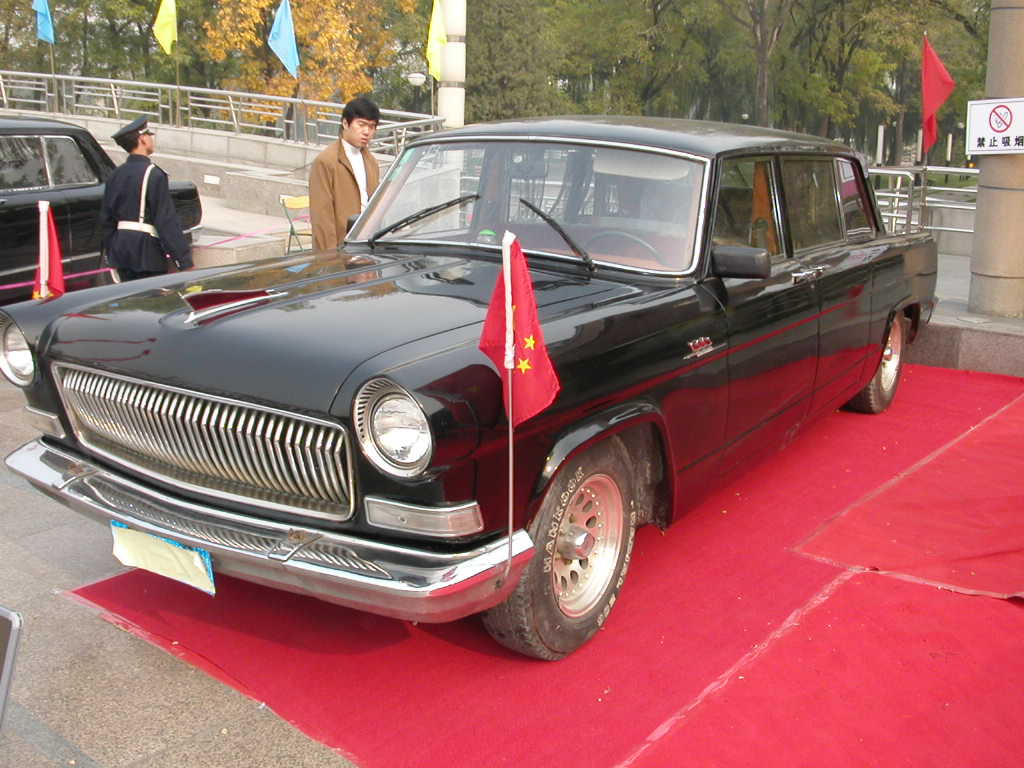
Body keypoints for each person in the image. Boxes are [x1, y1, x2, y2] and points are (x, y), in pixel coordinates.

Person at [100, 116, 192, 281]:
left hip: (121, 250)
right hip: (147, 252)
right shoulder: (153, 174)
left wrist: (112, 251)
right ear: (142, 139)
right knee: (152, 296)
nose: (151, 139)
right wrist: (184, 261)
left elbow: (106, 219)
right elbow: (165, 220)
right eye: (149, 135)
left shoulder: (116, 174)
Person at [309, 96, 381, 250]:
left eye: (372, 126)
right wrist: (329, 258)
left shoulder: (371, 162)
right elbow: (322, 218)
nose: (367, 131)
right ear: (345, 123)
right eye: (361, 124)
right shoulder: (326, 162)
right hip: (340, 250)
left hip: (367, 247)